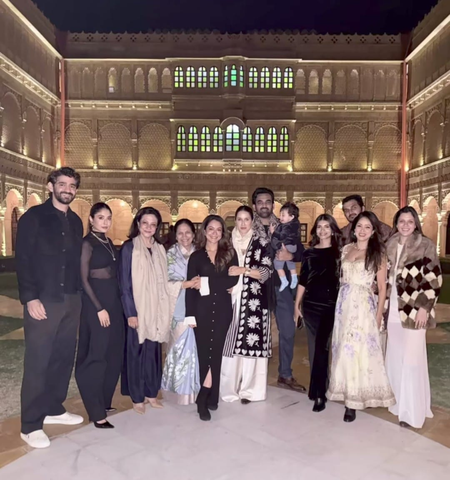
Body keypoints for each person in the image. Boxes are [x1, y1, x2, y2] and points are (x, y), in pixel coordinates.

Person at [15, 167, 84, 449]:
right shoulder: (34, 218)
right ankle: (30, 425)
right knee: (38, 361)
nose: (68, 189)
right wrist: (30, 298)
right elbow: (23, 259)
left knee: (62, 358)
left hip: (71, 299)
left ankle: (54, 408)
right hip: (43, 300)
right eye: (63, 184)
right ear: (50, 186)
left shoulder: (76, 221)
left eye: (72, 185)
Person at [327, 211, 395, 422]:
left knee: (358, 351)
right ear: (354, 229)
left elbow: (382, 288)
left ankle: (354, 401)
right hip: (344, 304)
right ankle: (345, 390)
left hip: (363, 307)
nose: (363, 230)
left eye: (367, 227)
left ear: (373, 231)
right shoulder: (346, 249)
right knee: (343, 348)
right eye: (359, 226)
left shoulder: (378, 254)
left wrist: (378, 315)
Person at [384, 206, 442, 429]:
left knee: (412, 360)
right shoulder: (389, 245)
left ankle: (412, 411)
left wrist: (424, 307)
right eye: (402, 221)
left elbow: (434, 279)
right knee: (396, 357)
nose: (405, 225)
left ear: (416, 223)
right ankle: (398, 403)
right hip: (393, 310)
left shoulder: (425, 245)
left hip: (414, 311)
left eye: (410, 221)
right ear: (396, 223)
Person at [75, 203, 124, 429]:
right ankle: (95, 412)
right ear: (91, 219)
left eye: (108, 218)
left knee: (113, 354)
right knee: (96, 357)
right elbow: (83, 279)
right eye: (101, 217)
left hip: (113, 305)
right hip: (97, 306)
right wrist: (98, 308)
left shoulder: (109, 242)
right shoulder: (87, 243)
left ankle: (104, 402)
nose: (105, 222)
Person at [118, 207, 172, 414]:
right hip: (138, 310)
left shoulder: (159, 249)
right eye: (145, 223)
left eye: (153, 224)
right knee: (136, 354)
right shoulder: (129, 248)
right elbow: (124, 284)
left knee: (153, 354)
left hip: (156, 309)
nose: (149, 227)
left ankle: (151, 393)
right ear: (138, 224)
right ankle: (137, 397)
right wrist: (131, 313)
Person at [252, 188, 306, 392]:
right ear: (254, 206)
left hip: (281, 286)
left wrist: (291, 257)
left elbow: (301, 251)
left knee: (288, 330)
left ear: (273, 204)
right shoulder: (248, 226)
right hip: (257, 286)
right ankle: (252, 378)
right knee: (256, 332)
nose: (264, 205)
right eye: (260, 202)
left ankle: (285, 374)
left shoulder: (286, 224)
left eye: (268, 201)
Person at [185, 215, 239, 421]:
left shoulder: (230, 254)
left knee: (215, 353)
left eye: (218, 229)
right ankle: (206, 397)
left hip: (223, 310)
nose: (214, 233)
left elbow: (232, 280)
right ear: (204, 231)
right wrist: (190, 314)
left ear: (222, 232)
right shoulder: (196, 257)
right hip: (202, 310)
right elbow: (191, 287)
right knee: (204, 354)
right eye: (211, 229)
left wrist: (206, 283)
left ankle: (207, 396)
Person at [221, 206, 272, 404]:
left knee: (251, 345)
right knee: (229, 344)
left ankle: (250, 391)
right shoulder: (226, 243)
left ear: (252, 221)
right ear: (235, 220)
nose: (243, 223)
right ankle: (228, 388)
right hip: (230, 298)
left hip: (254, 301)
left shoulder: (261, 243)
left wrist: (245, 270)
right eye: (239, 219)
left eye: (246, 219)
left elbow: (266, 272)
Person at [294, 214, 341, 412]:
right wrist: (297, 305)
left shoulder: (340, 253)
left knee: (322, 347)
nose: (323, 230)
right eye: (319, 226)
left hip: (330, 305)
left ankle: (320, 394)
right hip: (311, 305)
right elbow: (303, 280)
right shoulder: (309, 253)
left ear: (332, 230)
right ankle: (318, 389)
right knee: (314, 349)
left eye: (326, 226)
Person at [161, 219, 201, 405]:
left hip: (199, 306)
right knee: (178, 351)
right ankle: (177, 392)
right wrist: (185, 284)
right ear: (175, 236)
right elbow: (163, 283)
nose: (184, 237)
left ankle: (196, 391)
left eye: (188, 233)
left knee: (197, 351)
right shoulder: (168, 255)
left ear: (193, 234)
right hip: (177, 307)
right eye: (180, 233)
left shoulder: (200, 253)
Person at [271, 202, 301, 292]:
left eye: (283, 215)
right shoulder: (294, 225)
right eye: (280, 214)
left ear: (291, 217)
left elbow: (281, 236)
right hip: (292, 245)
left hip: (286, 245)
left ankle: (284, 280)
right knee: (290, 263)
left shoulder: (286, 226)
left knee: (277, 263)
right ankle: (294, 277)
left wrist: (273, 232)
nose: (280, 217)